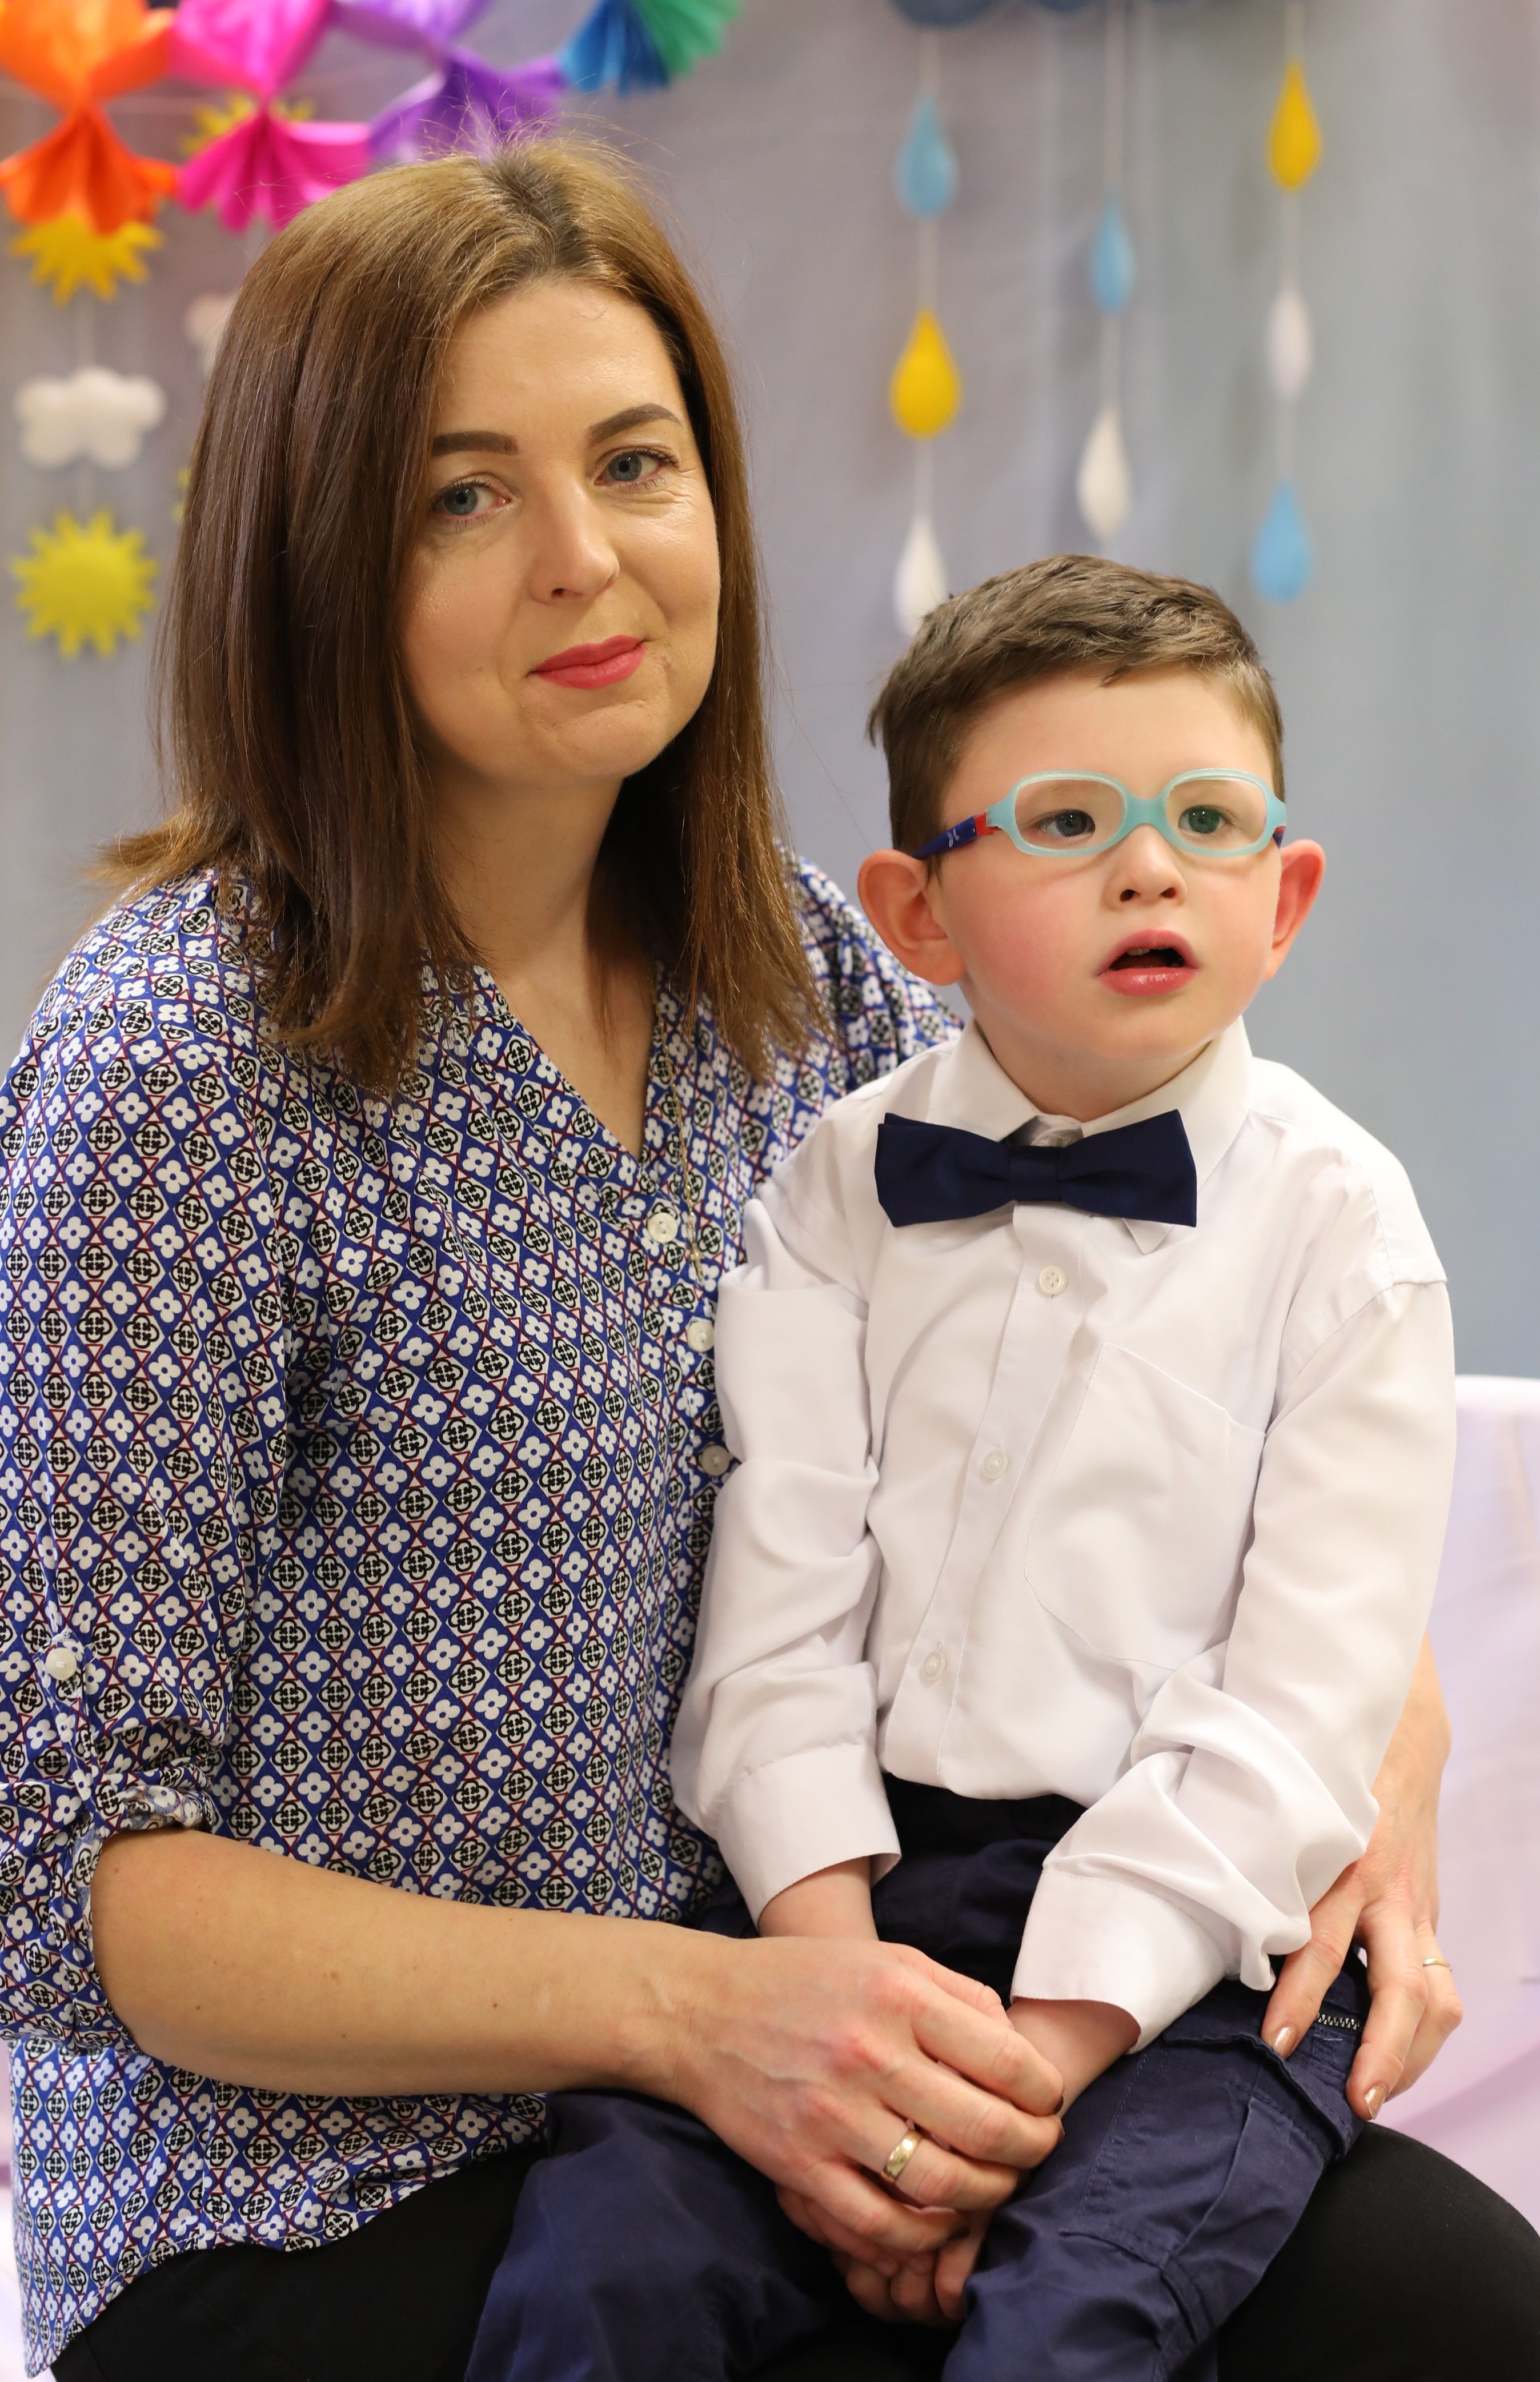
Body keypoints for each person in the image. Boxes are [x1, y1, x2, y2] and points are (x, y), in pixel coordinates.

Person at [0, 140, 1526, 2382]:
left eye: (635, 463)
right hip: (330, 2183)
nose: (585, 555)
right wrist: (701, 2013)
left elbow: (1204, 1397)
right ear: (314, 558)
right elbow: (79, 1885)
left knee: (1455, 2310)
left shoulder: (817, 980)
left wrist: (1375, 1764)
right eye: (461, 496)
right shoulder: (178, 1056)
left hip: (832, 2026)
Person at [467, 558, 1537, 2382]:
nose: (1150, 869)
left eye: (1208, 821)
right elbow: (775, 1618)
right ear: (920, 913)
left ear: (1285, 897)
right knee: (600, 2270)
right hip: (850, 1896)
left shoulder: (1347, 1237)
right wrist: (831, 1987)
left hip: (1197, 1958)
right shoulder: (833, 1187)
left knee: (1075, 2329)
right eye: (1067, 821)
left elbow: (1298, 1715)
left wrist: (1018, 2073)